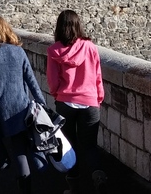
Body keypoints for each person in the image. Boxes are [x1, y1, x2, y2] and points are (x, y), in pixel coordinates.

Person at [0, 15, 46, 194]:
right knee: (20, 152)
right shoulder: (18, 51)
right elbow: (31, 79)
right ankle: (26, 189)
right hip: (19, 109)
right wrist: (41, 103)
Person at [47, 10, 106, 194]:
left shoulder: (54, 50)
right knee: (90, 146)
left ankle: (74, 188)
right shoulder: (90, 47)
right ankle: (98, 176)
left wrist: (57, 94)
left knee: (70, 146)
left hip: (65, 102)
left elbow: (53, 81)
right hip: (89, 101)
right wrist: (98, 98)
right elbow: (97, 76)